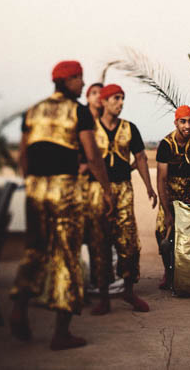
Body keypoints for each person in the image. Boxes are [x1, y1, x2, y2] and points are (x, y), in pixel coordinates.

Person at [10, 61, 114, 351]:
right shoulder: (78, 111)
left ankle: (19, 307)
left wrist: (32, 183)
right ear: (67, 81)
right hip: (64, 189)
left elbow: (23, 155)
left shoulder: (33, 110)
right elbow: (92, 155)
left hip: (35, 188)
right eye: (79, 79)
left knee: (35, 248)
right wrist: (107, 190)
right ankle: (61, 333)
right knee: (67, 255)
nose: (82, 84)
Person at [91, 83, 157, 315]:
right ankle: (104, 297)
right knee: (101, 242)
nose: (120, 103)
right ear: (105, 101)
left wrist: (149, 187)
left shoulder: (130, 129)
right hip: (98, 190)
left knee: (128, 241)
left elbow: (140, 158)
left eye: (122, 98)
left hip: (124, 189)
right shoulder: (91, 129)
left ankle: (128, 290)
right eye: (116, 98)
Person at [155, 105, 190, 287]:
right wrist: (167, 211)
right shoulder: (166, 145)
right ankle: (168, 272)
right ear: (176, 123)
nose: (187, 126)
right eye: (183, 121)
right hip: (171, 188)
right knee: (162, 229)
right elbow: (161, 180)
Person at [79, 81, 113, 307]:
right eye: (93, 93)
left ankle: (103, 292)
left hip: (99, 185)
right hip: (81, 186)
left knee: (100, 241)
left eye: (101, 93)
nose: (98, 97)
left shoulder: (107, 123)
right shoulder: (80, 118)